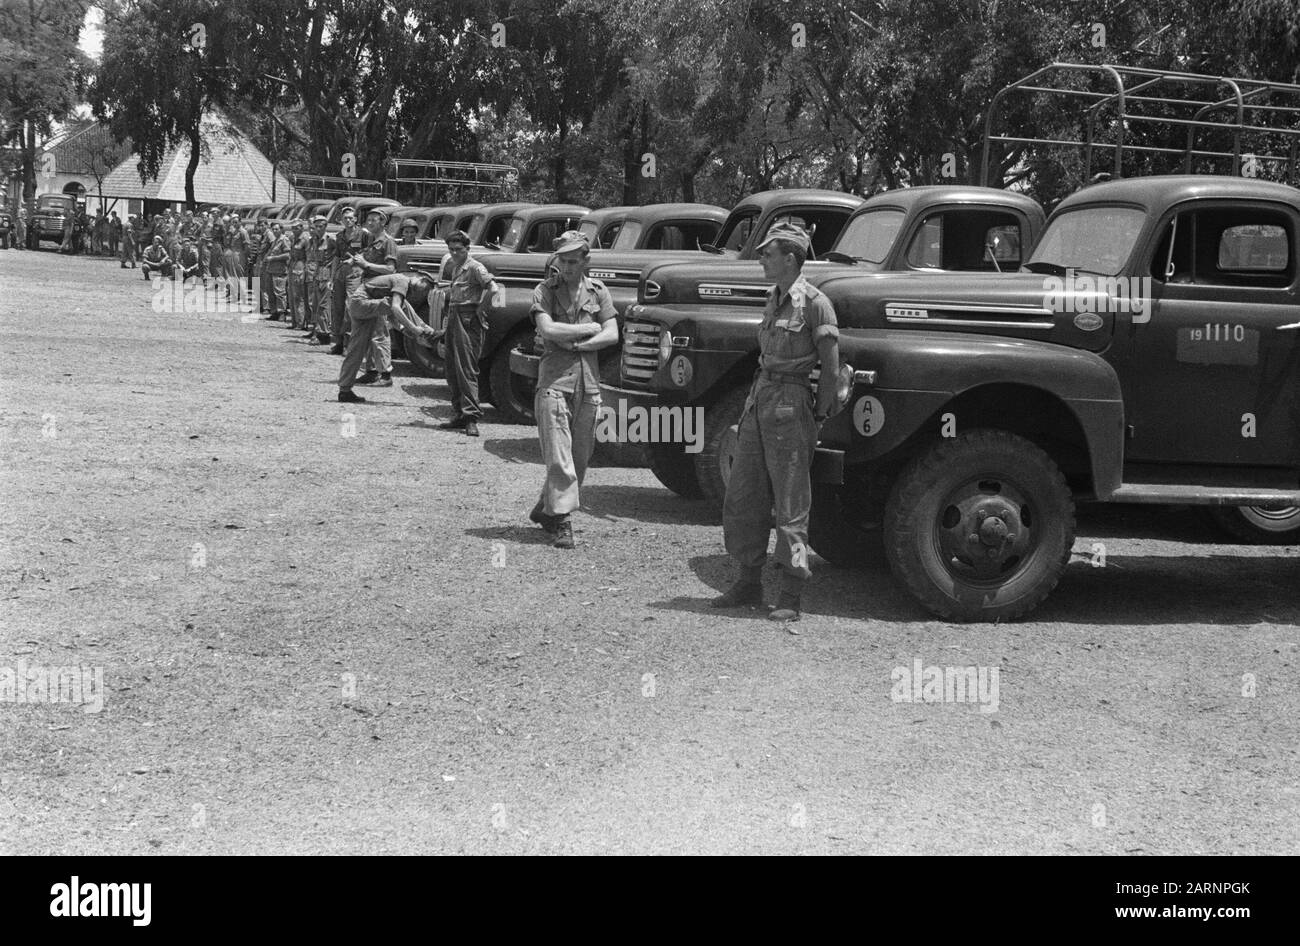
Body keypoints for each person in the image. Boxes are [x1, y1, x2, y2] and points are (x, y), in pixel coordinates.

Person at [711, 223, 840, 623]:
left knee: (790, 502)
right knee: (744, 494)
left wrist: (816, 413)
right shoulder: (773, 298)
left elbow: (832, 368)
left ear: (791, 258)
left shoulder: (816, 303)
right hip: (760, 399)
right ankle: (748, 580)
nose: (762, 259)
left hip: (791, 403)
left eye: (769, 253)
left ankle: (790, 592)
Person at [525, 230, 617, 549]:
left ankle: (547, 509)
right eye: (561, 261)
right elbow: (547, 329)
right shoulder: (545, 291)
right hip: (554, 382)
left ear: (586, 261)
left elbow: (612, 334)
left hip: (588, 383)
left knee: (580, 457)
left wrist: (577, 340)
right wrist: (589, 329)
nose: (565, 267)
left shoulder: (599, 291)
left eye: (572, 261)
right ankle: (563, 521)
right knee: (559, 456)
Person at [438, 229, 499, 434]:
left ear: (467, 249)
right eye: (451, 250)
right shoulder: (457, 267)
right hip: (455, 316)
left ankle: (471, 417)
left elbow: (494, 289)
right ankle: (459, 414)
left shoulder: (475, 267)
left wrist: (480, 310)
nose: (454, 253)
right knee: (451, 368)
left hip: (468, 318)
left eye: (458, 250)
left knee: (466, 368)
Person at [354, 209, 399, 387]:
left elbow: (390, 269)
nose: (370, 223)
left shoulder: (388, 242)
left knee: (380, 332)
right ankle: (371, 371)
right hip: (368, 288)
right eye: (368, 219)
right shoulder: (373, 242)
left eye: (374, 220)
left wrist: (366, 264)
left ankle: (386, 374)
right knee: (369, 331)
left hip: (379, 289)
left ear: (383, 223)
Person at [330, 207, 369, 353]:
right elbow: (336, 256)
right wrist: (332, 277)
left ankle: (349, 342)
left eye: (350, 218)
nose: (348, 220)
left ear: (356, 219)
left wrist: (355, 260)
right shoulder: (339, 236)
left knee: (349, 306)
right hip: (341, 271)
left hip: (356, 271)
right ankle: (338, 342)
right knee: (337, 306)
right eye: (345, 218)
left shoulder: (363, 234)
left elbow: (368, 251)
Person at [304, 215, 334, 343]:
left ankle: (324, 333)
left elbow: (336, 258)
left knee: (323, 306)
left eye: (320, 226)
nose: (318, 229)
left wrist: (331, 278)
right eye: (316, 227)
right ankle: (316, 331)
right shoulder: (315, 240)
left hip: (326, 273)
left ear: (325, 226)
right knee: (315, 305)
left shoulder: (330, 240)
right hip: (317, 273)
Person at [262, 223, 290, 319]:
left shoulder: (284, 240)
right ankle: (274, 312)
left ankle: (282, 312)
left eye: (276, 229)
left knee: (279, 292)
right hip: (271, 269)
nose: (274, 231)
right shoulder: (275, 241)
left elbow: (287, 255)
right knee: (270, 291)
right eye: (273, 229)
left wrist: (273, 258)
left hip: (279, 270)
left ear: (281, 229)